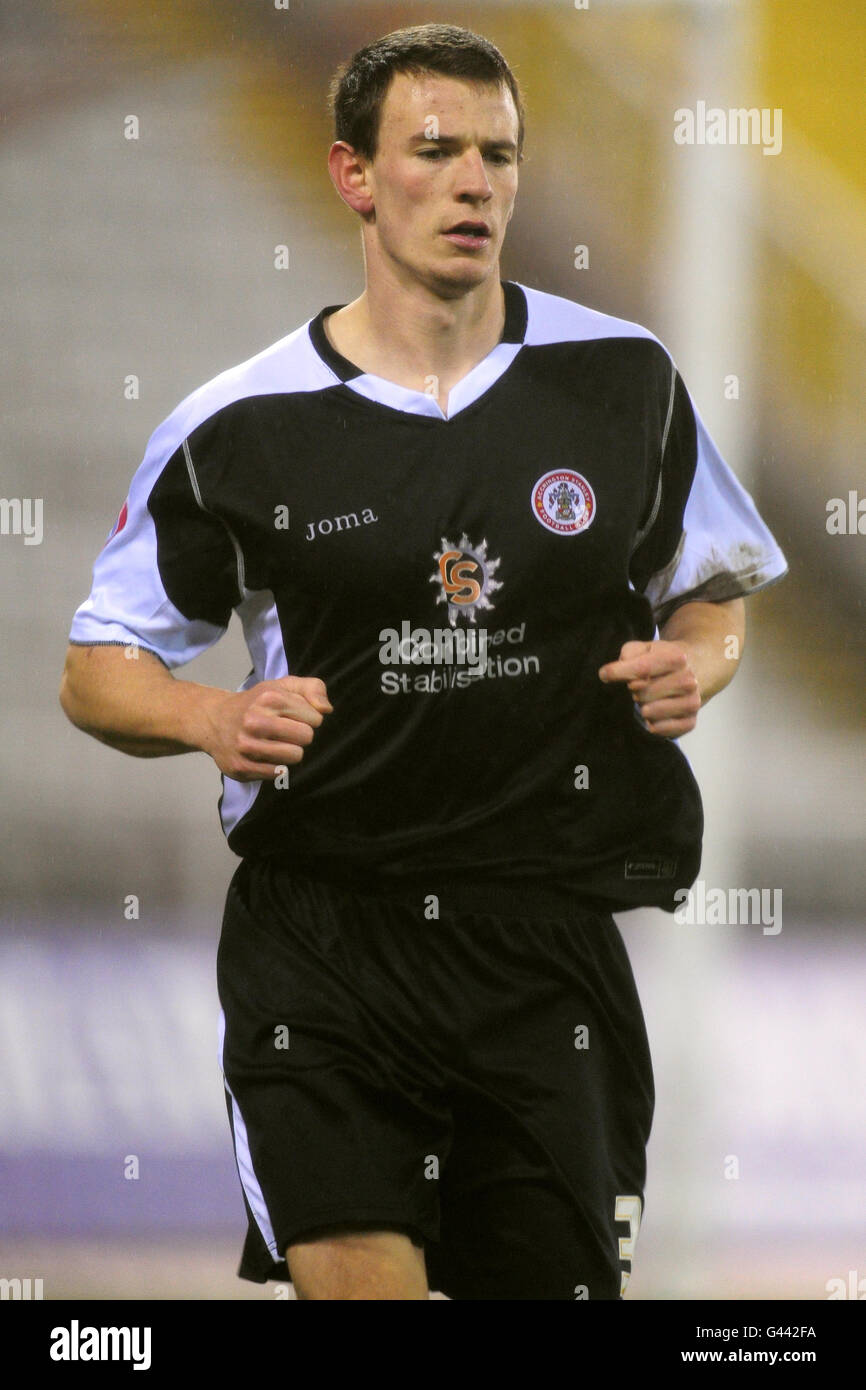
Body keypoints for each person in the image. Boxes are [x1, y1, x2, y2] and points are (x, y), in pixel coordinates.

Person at [59, 22, 787, 1300]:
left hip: (542, 947)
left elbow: (713, 592)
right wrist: (209, 719)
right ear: (353, 175)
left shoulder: (622, 379)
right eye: (436, 151)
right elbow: (97, 667)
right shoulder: (239, 426)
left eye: (498, 156)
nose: (474, 184)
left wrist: (698, 665)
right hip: (325, 940)